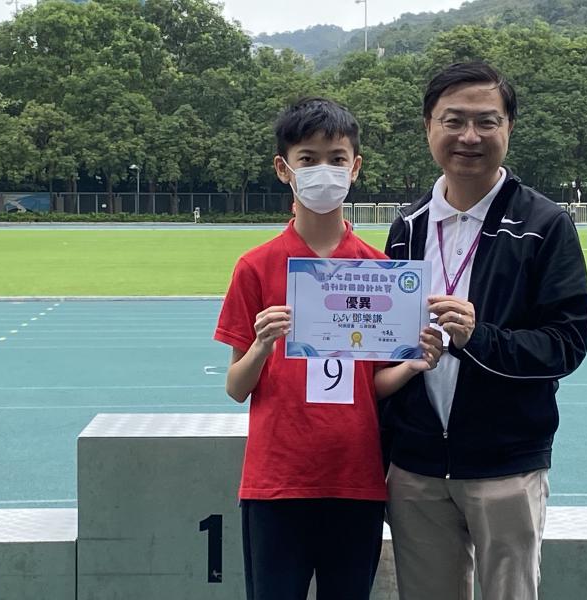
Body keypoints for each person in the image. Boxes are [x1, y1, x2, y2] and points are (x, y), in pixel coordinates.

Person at [214, 97, 443, 600]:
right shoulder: (255, 267)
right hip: (276, 483)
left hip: (355, 481)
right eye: (308, 158)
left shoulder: (378, 270)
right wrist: (262, 345)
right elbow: (235, 387)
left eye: (337, 159)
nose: (324, 171)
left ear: (355, 168)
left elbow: (371, 386)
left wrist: (412, 365)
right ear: (284, 169)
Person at [382, 61, 587, 600]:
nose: (469, 137)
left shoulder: (545, 225)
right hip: (418, 465)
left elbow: (567, 344)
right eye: (453, 121)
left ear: (508, 129)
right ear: (428, 125)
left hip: (505, 462)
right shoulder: (407, 226)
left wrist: (480, 337)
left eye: (486, 122)